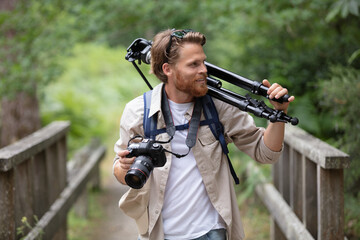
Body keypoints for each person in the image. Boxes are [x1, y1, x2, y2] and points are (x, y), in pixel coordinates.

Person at [113, 29, 294, 240]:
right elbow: (121, 171)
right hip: (160, 233)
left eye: (203, 62)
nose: (204, 70)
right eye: (193, 64)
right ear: (167, 69)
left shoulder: (219, 107)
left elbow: (266, 153)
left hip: (212, 231)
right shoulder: (138, 112)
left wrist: (279, 114)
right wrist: (122, 167)